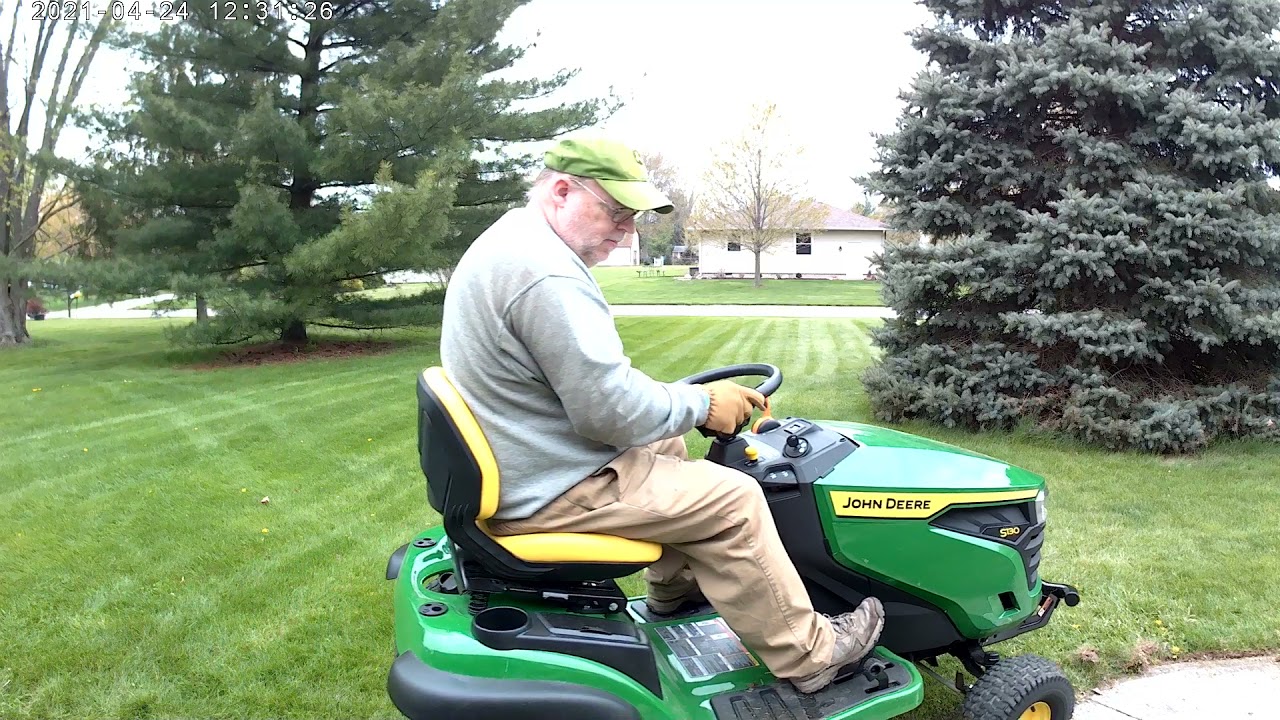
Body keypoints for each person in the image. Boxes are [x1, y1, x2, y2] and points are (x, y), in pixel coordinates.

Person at [439, 136, 884, 694]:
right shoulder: (546, 276)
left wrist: (686, 404)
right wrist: (702, 404)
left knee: (667, 450)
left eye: (632, 217)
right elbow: (607, 411)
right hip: (549, 487)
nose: (627, 231)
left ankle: (673, 595)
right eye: (617, 212)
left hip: (526, 458)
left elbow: (599, 384)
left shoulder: (515, 242)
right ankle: (810, 655)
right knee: (734, 500)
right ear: (561, 191)